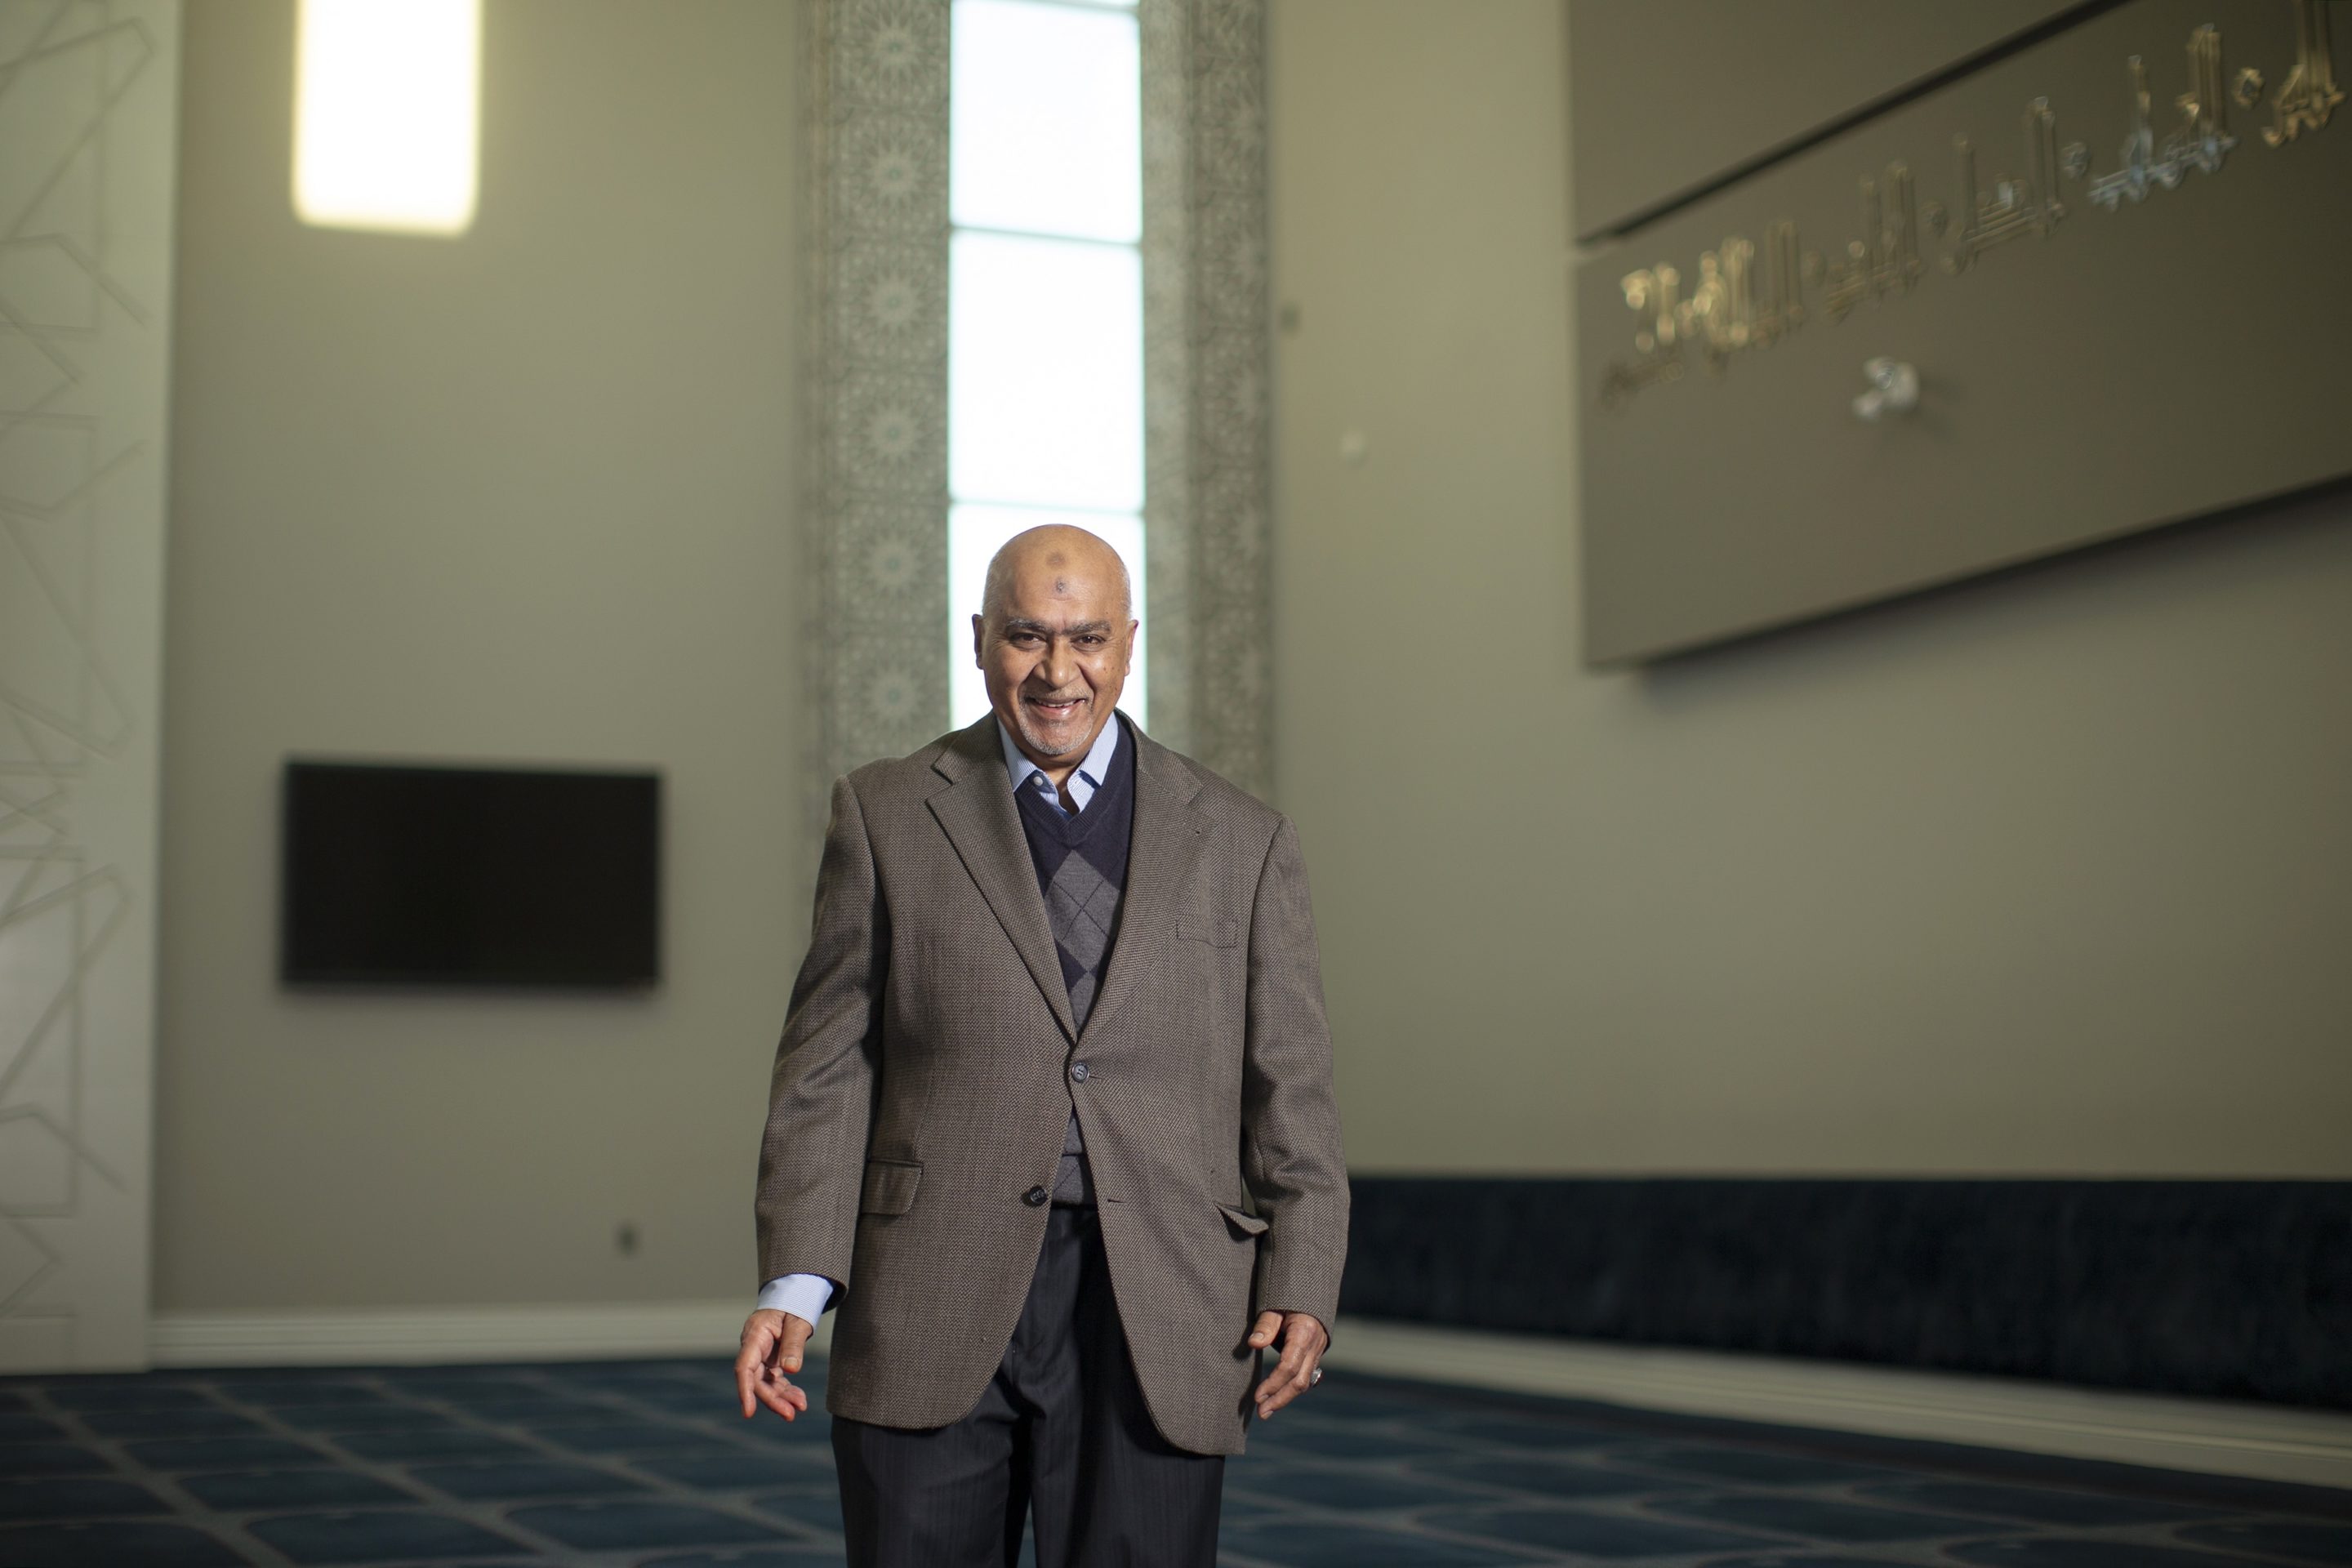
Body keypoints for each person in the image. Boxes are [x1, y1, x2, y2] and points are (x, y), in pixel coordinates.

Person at [734, 523, 1348, 1567]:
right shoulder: (884, 813)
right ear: (979, 641)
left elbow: (1288, 1081)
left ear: (1128, 645)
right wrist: (797, 1279)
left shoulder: (1245, 840)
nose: (1058, 672)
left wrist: (1304, 1271)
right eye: (1027, 636)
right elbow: (829, 1067)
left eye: (1089, 639)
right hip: (928, 1287)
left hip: (1162, 1294)